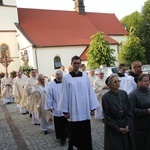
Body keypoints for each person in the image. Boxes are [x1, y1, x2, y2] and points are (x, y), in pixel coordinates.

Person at [58, 55, 99, 150]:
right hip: (74, 110)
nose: (76, 65)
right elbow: (64, 94)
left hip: (84, 109)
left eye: (78, 63)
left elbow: (90, 91)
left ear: (80, 64)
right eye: (74, 63)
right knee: (74, 132)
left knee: (85, 131)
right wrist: (65, 111)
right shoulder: (67, 77)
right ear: (71, 64)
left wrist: (92, 107)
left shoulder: (85, 76)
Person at [102, 74, 135, 150]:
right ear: (109, 85)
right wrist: (118, 128)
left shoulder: (123, 93)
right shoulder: (106, 97)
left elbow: (129, 110)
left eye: (118, 81)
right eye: (115, 82)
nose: (117, 83)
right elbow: (107, 116)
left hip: (125, 125)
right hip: (113, 127)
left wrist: (127, 124)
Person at [45, 70, 68, 145]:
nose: (60, 77)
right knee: (59, 124)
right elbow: (48, 96)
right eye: (58, 76)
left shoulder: (65, 83)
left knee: (66, 123)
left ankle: (65, 136)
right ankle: (61, 138)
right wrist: (50, 106)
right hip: (56, 107)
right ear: (55, 76)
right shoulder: (51, 85)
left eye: (61, 76)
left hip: (66, 107)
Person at [129, 74, 150, 150]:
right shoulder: (133, 94)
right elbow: (130, 110)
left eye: (148, 81)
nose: (147, 82)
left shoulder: (149, 91)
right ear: (139, 82)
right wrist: (146, 111)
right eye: (145, 81)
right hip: (140, 126)